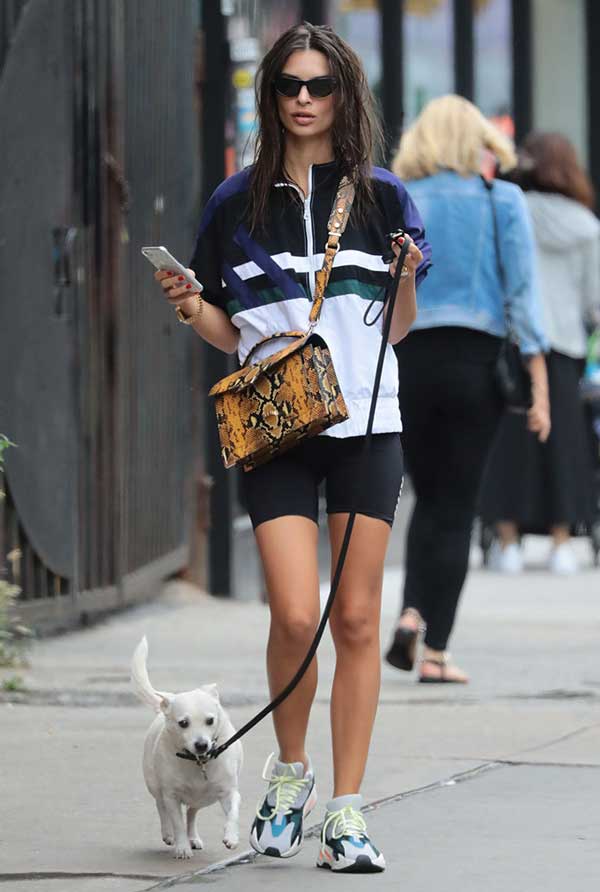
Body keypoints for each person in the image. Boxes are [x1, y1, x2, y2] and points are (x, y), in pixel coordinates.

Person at [155, 23, 430, 874]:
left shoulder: (384, 196)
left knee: (354, 619)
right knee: (294, 614)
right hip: (276, 427)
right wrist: (185, 301)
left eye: (319, 85)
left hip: (366, 426)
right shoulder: (236, 203)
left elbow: (401, 328)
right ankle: (290, 775)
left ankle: (346, 812)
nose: (304, 99)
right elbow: (225, 328)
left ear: (344, 96)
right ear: (271, 97)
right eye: (289, 86)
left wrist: (408, 276)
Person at [384, 95, 550, 685]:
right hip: (476, 365)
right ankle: (434, 649)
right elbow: (522, 296)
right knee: (454, 507)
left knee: (424, 496)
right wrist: (539, 386)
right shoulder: (499, 199)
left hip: (406, 360)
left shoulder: (398, 199)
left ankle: (410, 614)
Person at [480, 132, 600, 575]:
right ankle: (562, 543)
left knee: (508, 443)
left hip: (511, 340)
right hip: (563, 344)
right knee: (564, 445)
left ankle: (507, 543)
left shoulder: (510, 212)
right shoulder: (586, 227)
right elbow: (594, 298)